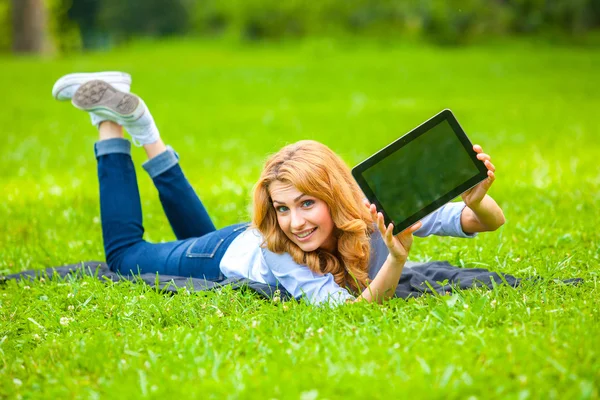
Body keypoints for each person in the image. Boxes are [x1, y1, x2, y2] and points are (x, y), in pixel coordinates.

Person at [51, 72, 505, 306]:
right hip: (222, 256)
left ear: (334, 196)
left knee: (195, 235)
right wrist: (398, 261)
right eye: (283, 207)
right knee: (124, 256)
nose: (296, 222)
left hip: (232, 245)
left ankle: (144, 129)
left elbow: (484, 223)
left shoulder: (375, 210)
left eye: (307, 204)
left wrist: (478, 200)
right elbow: (352, 314)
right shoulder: (282, 249)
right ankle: (111, 121)